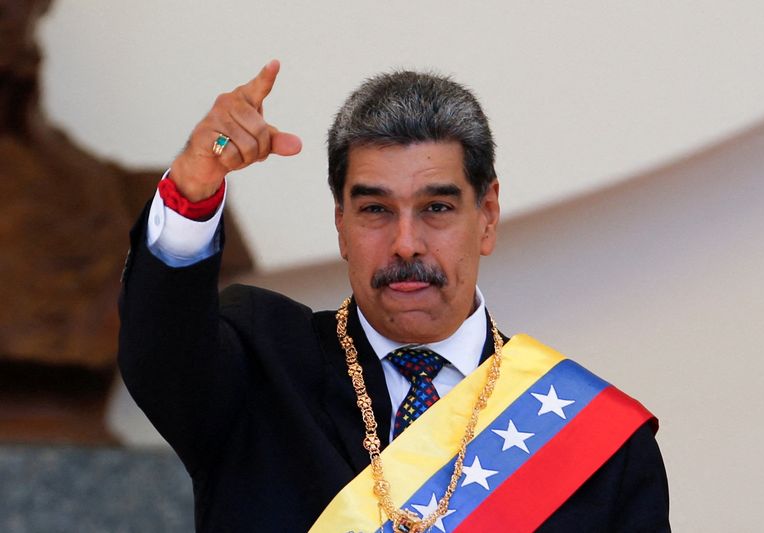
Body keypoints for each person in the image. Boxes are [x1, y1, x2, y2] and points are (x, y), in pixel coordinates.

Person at [118, 60, 669, 533]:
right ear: (341, 223)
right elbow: (159, 354)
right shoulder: (260, 365)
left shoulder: (595, 445)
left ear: (488, 216)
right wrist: (193, 189)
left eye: (437, 208)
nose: (406, 244)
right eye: (375, 210)